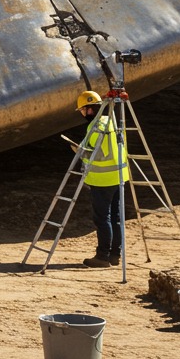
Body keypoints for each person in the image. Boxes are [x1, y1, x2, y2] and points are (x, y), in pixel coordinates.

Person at [73, 90, 129, 268]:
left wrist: (80, 152)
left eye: (83, 110)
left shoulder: (95, 126)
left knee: (102, 219)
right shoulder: (112, 121)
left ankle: (102, 256)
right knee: (116, 218)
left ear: (89, 109)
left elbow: (97, 154)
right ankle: (114, 255)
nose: (83, 114)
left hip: (102, 179)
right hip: (119, 177)